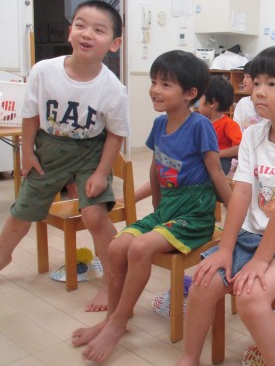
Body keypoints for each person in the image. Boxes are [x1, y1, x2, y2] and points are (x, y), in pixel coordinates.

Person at [175, 45, 275, 366]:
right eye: (256, 81)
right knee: (203, 281)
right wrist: (225, 248)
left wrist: (260, 261)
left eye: (271, 83)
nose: (259, 91)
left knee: (251, 297)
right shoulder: (253, 136)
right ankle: (189, 358)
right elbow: (242, 194)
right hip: (254, 236)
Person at [71, 50, 232, 362]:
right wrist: (156, 208)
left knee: (140, 248)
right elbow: (156, 169)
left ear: (190, 93)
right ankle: (112, 318)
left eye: (166, 84)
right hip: (168, 210)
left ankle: (118, 322)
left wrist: (237, 217)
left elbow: (216, 173)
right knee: (117, 247)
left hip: (195, 214)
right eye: (154, 81)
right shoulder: (160, 125)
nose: (155, 90)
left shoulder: (200, 126)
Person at [0, 0, 128, 312]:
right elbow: (30, 114)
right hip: (49, 149)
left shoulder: (113, 88)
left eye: (98, 30)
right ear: (70, 31)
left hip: (90, 152)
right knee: (21, 212)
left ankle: (112, 279)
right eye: (81, 25)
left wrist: (101, 173)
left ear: (114, 43)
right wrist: (27, 153)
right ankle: (3, 255)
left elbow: (116, 134)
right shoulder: (44, 71)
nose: (87, 34)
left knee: (94, 215)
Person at [196, 74, 242, 175]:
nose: (197, 103)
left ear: (212, 103)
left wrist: (218, 154)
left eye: (200, 98)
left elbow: (239, 148)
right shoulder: (200, 121)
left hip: (220, 161)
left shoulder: (228, 124)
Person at [233, 61, 263, 131]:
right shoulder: (242, 103)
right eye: (244, 76)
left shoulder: (266, 103)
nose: (244, 80)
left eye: (248, 77)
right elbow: (236, 127)